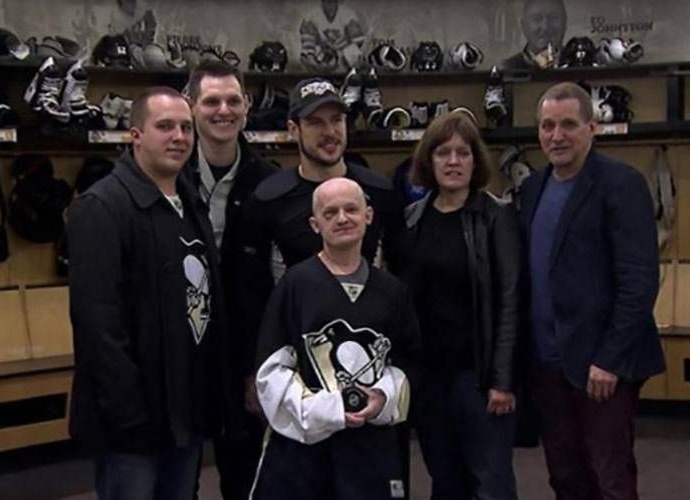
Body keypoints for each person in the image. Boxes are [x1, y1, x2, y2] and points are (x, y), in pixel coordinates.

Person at [67, 86, 232, 500]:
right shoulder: (102, 207)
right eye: (164, 127)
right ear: (135, 135)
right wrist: (128, 411)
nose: (178, 136)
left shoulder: (189, 202)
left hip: (185, 410)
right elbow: (96, 322)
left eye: (185, 127)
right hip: (134, 423)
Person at [519, 82, 666, 499]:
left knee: (610, 477)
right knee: (564, 475)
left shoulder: (622, 185)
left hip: (602, 368)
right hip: (548, 363)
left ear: (592, 128)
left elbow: (639, 282)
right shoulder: (532, 189)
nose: (556, 136)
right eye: (547, 126)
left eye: (568, 124)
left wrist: (609, 360)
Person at [252, 177, 421, 500]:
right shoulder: (295, 286)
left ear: (368, 215)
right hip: (305, 456)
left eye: (351, 209)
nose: (342, 218)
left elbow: (409, 361)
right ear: (315, 224)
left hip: (371, 452)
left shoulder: (392, 291)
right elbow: (271, 369)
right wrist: (327, 411)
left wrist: (381, 398)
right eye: (330, 213)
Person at [404, 112, 522, 500]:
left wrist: (502, 380)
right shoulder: (413, 218)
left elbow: (509, 301)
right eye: (443, 153)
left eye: (462, 153)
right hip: (430, 380)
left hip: (478, 378)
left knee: (491, 485)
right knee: (445, 481)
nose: (453, 161)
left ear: (476, 161)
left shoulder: (497, 216)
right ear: (428, 161)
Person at [184, 59, 278, 500]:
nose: (223, 110)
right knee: (176, 476)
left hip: (244, 354)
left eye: (233, 100)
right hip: (181, 353)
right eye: (211, 101)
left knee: (243, 479)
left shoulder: (270, 184)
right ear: (191, 105)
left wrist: (257, 370)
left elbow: (272, 289)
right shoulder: (167, 177)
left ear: (247, 106)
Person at [299, 0, 367, 71]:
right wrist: (314, 63)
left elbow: (359, 41)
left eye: (332, 2)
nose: (330, 5)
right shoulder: (311, 15)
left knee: (352, 51)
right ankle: (317, 74)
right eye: (327, 2)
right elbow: (307, 45)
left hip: (342, 49)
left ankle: (351, 75)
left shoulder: (348, 14)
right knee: (306, 56)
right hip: (321, 50)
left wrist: (341, 48)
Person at [503, 0, 567, 70]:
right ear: (523, 26)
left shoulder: (578, 65)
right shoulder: (507, 68)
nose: (545, 27)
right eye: (536, 19)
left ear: (564, 23)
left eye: (553, 18)